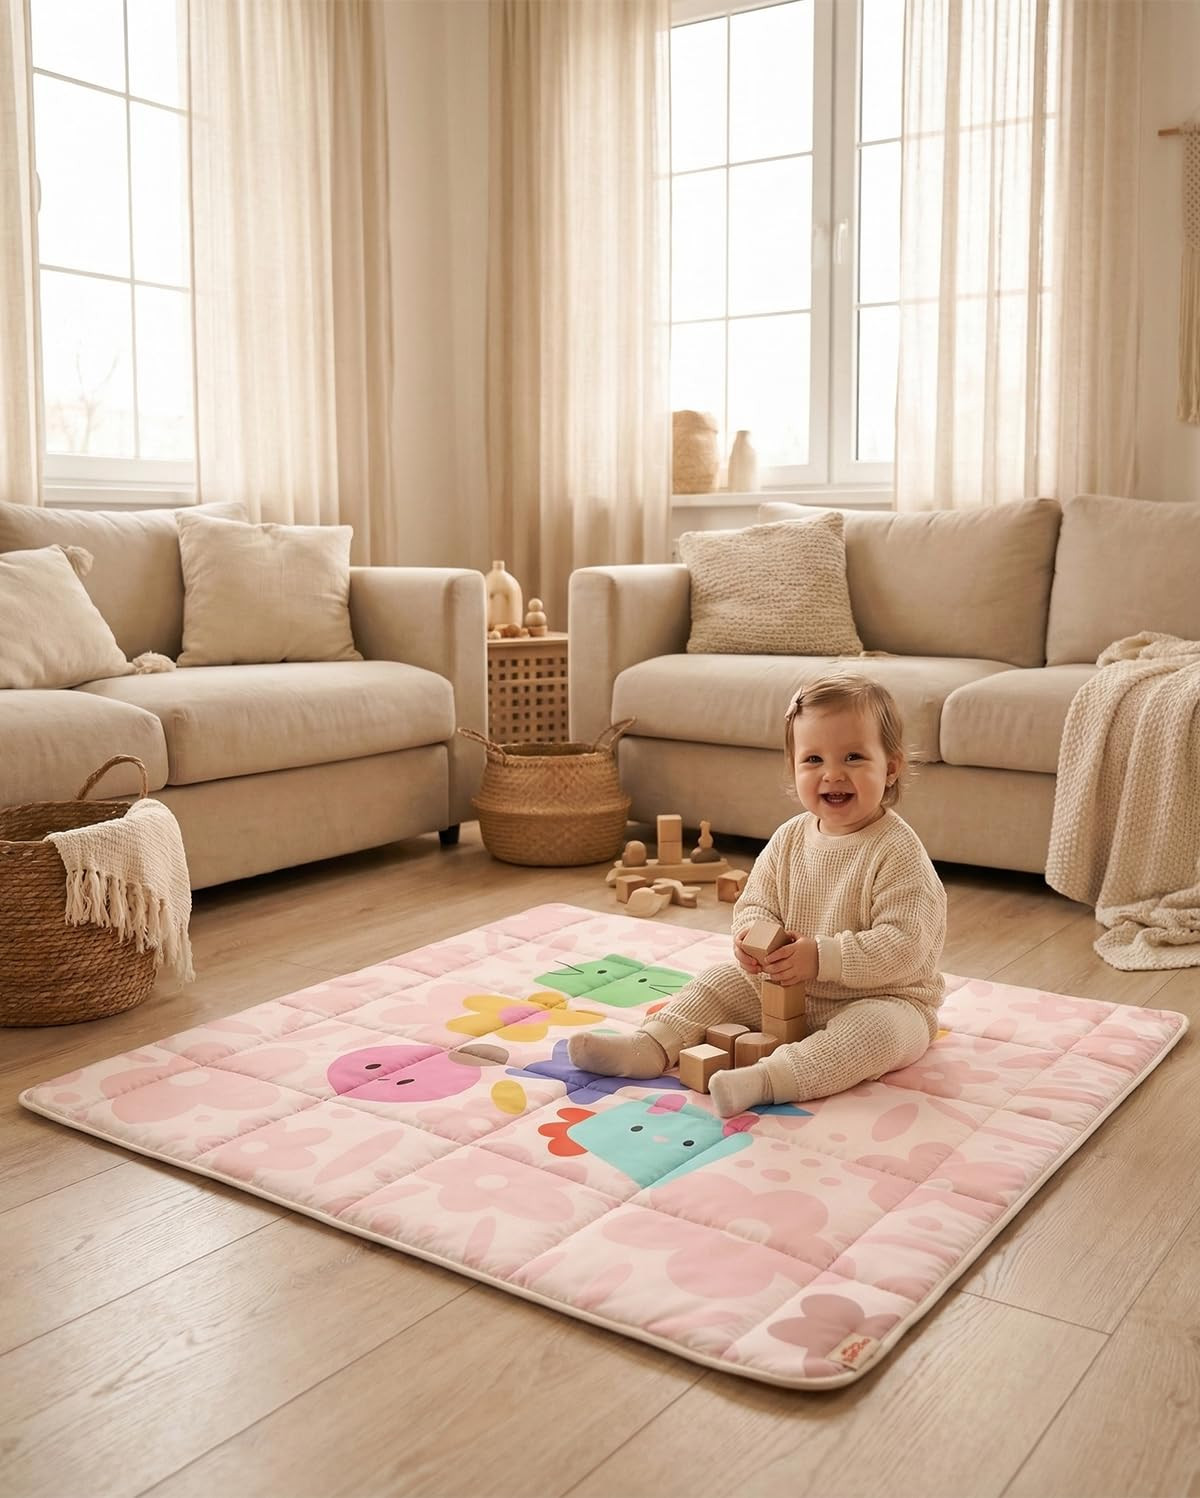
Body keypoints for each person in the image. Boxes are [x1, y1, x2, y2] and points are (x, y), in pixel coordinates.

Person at [569, 670, 947, 1118]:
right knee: (717, 982)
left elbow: (905, 947)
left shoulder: (898, 852)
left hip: (885, 998)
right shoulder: (789, 838)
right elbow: (756, 901)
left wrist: (822, 957)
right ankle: (650, 1045)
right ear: (793, 767)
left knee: (876, 1033)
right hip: (788, 988)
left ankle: (768, 1079)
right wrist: (750, 937)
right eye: (813, 760)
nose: (832, 774)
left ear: (892, 767)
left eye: (853, 757)